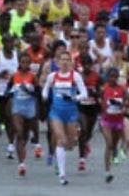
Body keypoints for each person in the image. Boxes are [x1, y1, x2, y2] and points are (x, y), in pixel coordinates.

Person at [41, 51, 88, 185]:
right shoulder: (52, 76)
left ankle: (68, 144)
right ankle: (62, 174)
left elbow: (84, 93)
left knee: (70, 144)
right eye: (63, 59)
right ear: (58, 62)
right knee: (61, 140)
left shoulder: (75, 76)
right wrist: (45, 96)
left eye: (68, 59)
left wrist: (74, 98)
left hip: (71, 112)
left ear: (71, 62)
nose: (65, 62)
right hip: (56, 112)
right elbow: (45, 89)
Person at [8, 51, 39, 177]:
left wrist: (29, 91)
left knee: (25, 134)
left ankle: (22, 150)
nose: (25, 64)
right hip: (18, 107)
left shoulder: (33, 77)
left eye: (27, 62)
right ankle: (21, 164)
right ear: (19, 63)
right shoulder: (14, 76)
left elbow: (38, 93)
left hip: (30, 107)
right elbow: (8, 90)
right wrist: (10, 93)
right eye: (22, 62)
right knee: (19, 132)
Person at [99, 66, 127, 183]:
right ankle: (107, 172)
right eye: (111, 76)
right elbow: (99, 103)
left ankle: (115, 152)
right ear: (107, 77)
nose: (113, 79)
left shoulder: (122, 89)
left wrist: (122, 105)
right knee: (109, 143)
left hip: (118, 121)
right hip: (106, 120)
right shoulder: (104, 89)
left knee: (114, 144)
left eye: (115, 77)